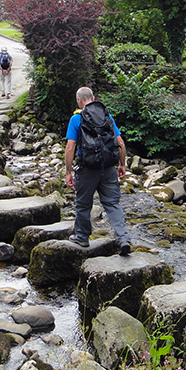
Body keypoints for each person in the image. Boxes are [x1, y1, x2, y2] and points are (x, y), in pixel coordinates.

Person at [64, 86, 131, 256]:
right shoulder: (107, 116)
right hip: (108, 167)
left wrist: (68, 172)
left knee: (83, 203)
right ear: (93, 98)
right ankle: (123, 238)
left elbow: (70, 147)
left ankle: (82, 237)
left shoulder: (76, 118)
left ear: (79, 100)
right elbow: (120, 143)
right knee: (112, 203)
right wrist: (122, 164)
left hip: (87, 168)